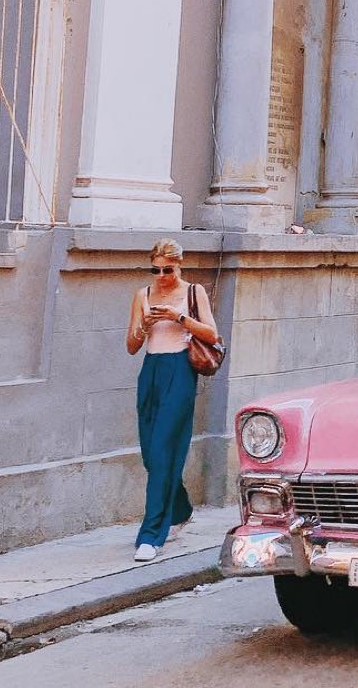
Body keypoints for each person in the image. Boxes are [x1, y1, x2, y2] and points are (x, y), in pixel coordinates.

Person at [125, 239, 219, 563]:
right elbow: (132, 345)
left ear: (180, 265)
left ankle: (151, 535)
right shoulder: (143, 295)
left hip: (179, 370)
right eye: (156, 269)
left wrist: (180, 318)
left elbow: (213, 336)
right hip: (151, 371)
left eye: (168, 269)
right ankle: (181, 510)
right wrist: (144, 325)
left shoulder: (194, 293)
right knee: (152, 455)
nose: (162, 275)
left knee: (164, 447)